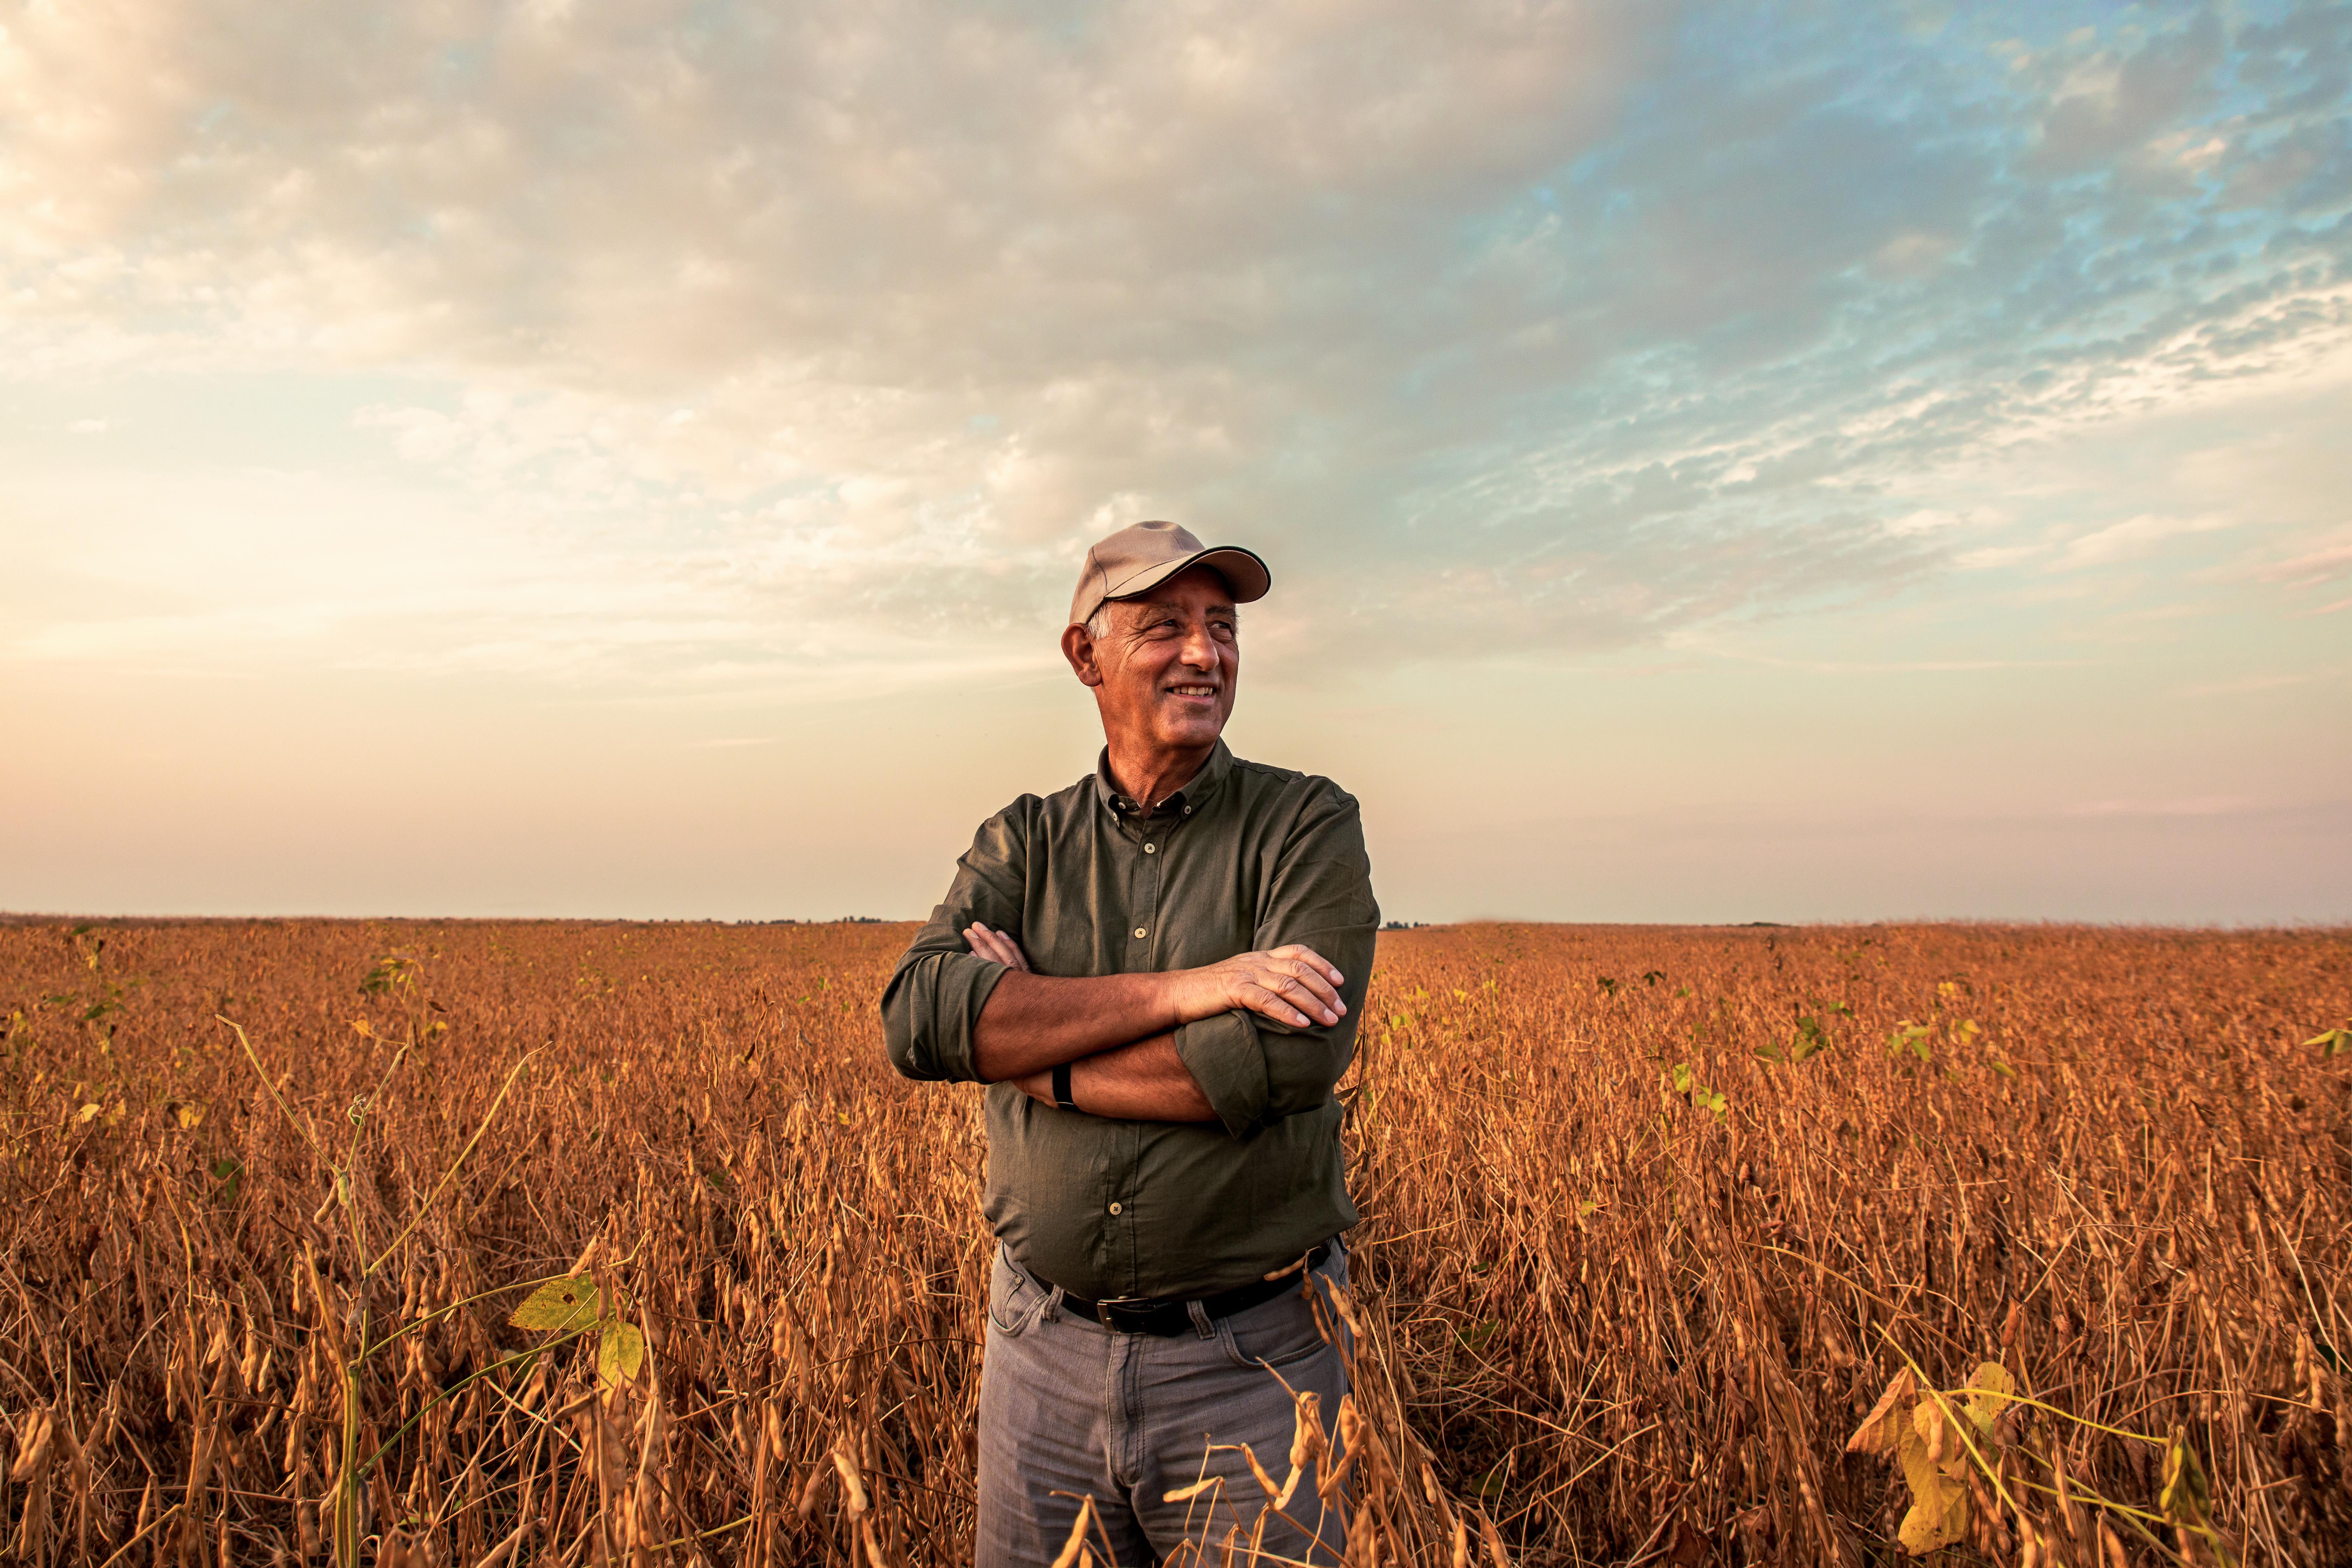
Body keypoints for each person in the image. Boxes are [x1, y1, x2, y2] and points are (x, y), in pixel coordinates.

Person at [881, 519, 1379, 1566]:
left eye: (1221, 627)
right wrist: (1193, 990)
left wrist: (1036, 1048)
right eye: (1165, 627)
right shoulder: (1024, 840)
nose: (1205, 653)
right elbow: (922, 1017)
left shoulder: (1306, 827)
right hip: (1041, 1362)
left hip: (1256, 1369)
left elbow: (1287, 1060)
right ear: (1085, 657)